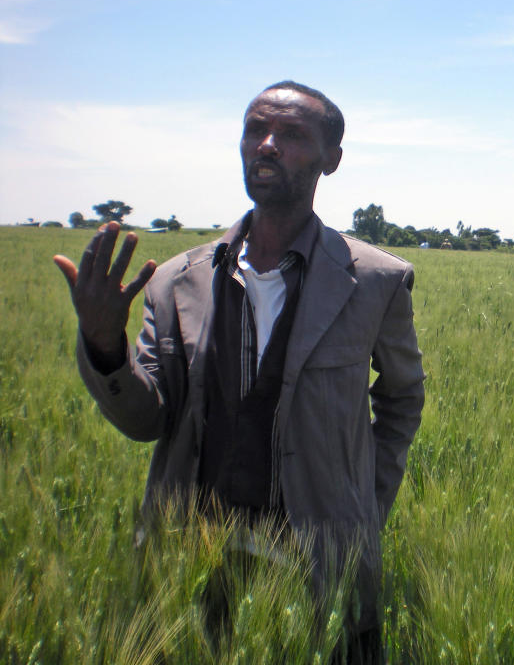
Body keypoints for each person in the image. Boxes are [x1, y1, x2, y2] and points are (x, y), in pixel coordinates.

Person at [53, 81, 425, 662]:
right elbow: (148, 418)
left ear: (332, 159)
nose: (268, 145)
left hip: (321, 568)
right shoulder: (176, 280)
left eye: (292, 135)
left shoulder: (376, 281)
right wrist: (105, 347)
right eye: (256, 130)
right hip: (194, 570)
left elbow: (402, 400)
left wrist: (364, 508)